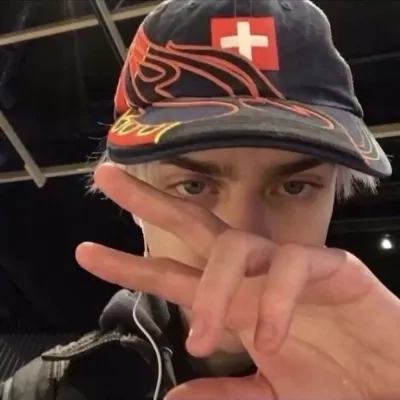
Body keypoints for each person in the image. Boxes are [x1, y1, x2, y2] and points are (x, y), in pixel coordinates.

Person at [1, 0, 399, 399]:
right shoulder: (44, 391)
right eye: (192, 186)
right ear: (132, 200)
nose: (241, 236)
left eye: (295, 187)